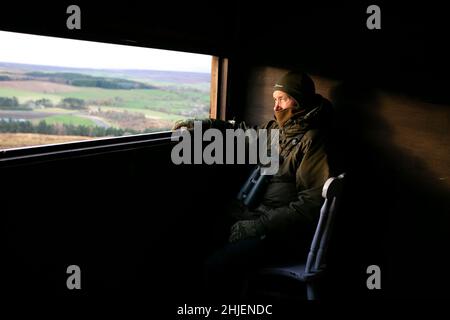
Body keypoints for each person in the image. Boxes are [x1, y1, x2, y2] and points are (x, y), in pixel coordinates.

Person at [173, 71, 333, 301]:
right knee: (192, 240)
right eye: (274, 99)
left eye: (283, 99)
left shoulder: (314, 140)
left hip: (281, 234)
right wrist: (205, 125)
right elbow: (241, 134)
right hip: (252, 216)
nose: (276, 107)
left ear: (299, 102)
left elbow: (310, 204)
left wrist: (258, 226)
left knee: (216, 265)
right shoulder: (277, 130)